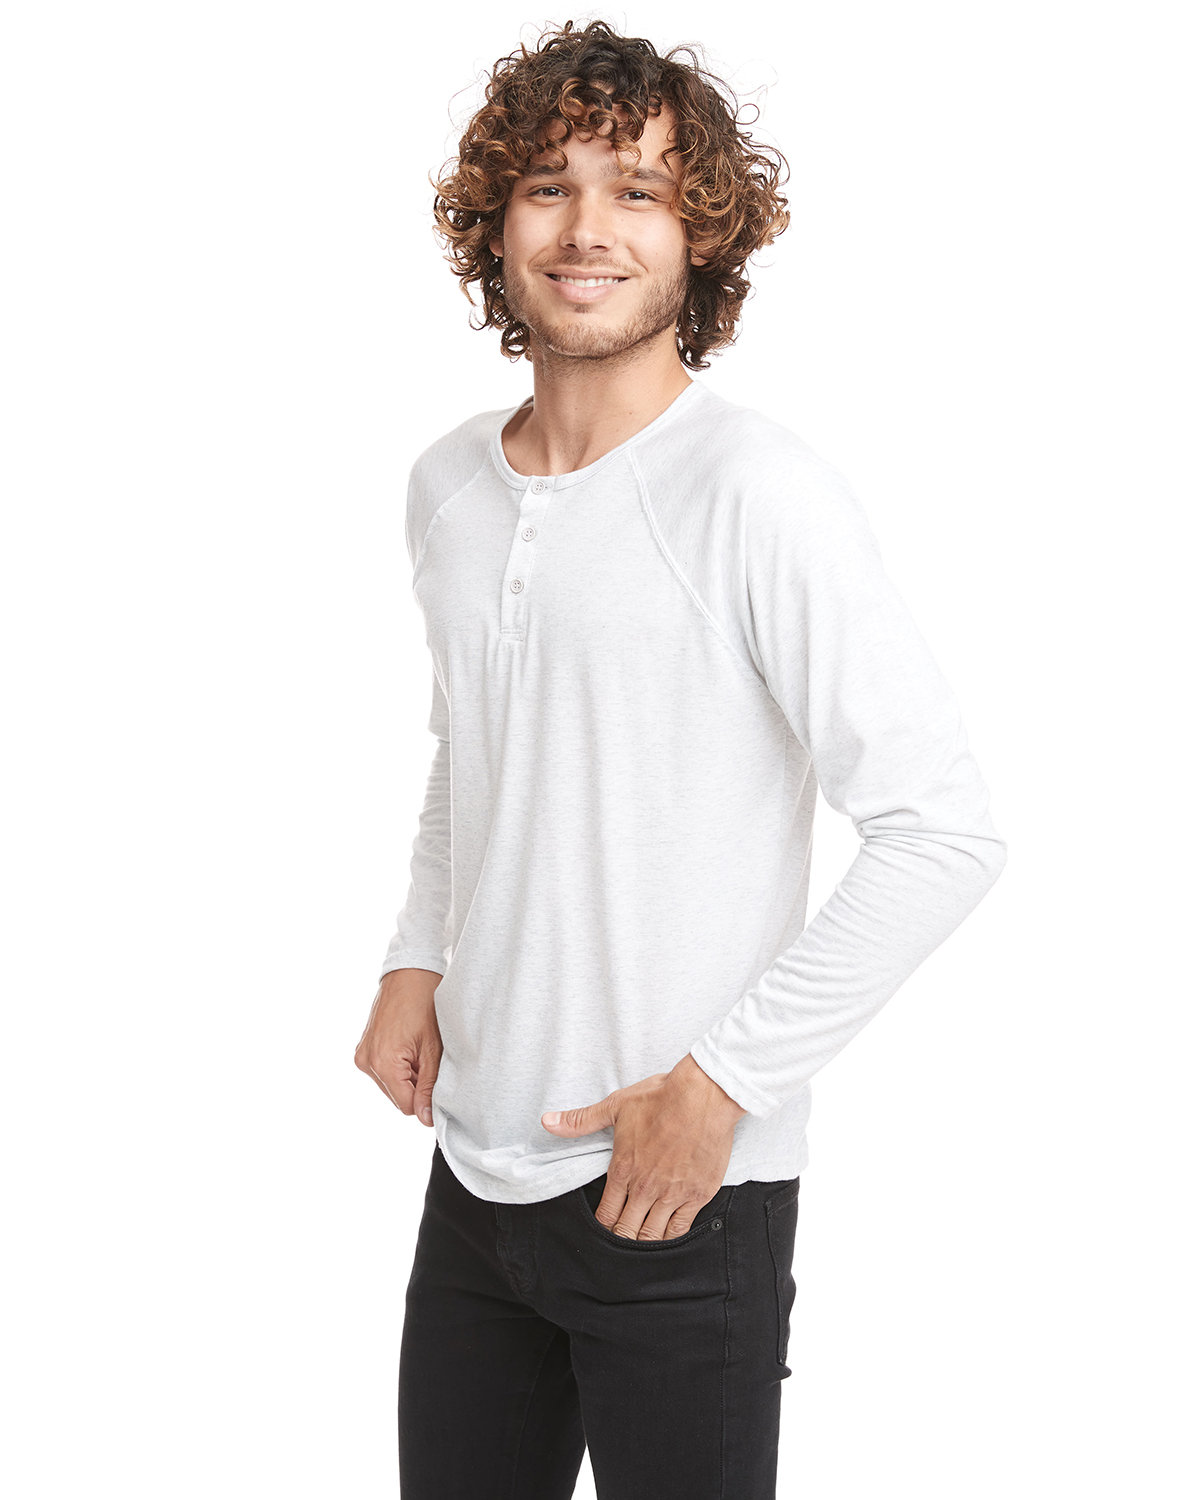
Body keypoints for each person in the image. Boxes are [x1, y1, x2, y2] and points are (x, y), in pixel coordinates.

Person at [354, 18, 1007, 1499]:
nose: (587, 229)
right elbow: (478, 741)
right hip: (473, 1178)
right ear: (494, 226)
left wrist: (718, 1086)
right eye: (549, 186)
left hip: (679, 1198)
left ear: (700, 235)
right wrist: (415, 955)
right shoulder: (448, 485)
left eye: (638, 191)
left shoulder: (757, 493)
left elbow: (943, 832)